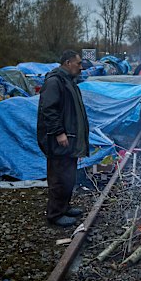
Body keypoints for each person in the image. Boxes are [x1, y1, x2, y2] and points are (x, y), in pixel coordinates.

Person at [37, 50, 90, 227]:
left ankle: (64, 206)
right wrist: (59, 132)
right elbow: (48, 109)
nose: (81, 67)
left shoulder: (68, 81)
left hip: (70, 139)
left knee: (68, 176)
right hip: (58, 140)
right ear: (68, 62)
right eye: (78, 63)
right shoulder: (55, 82)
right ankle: (55, 214)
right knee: (59, 177)